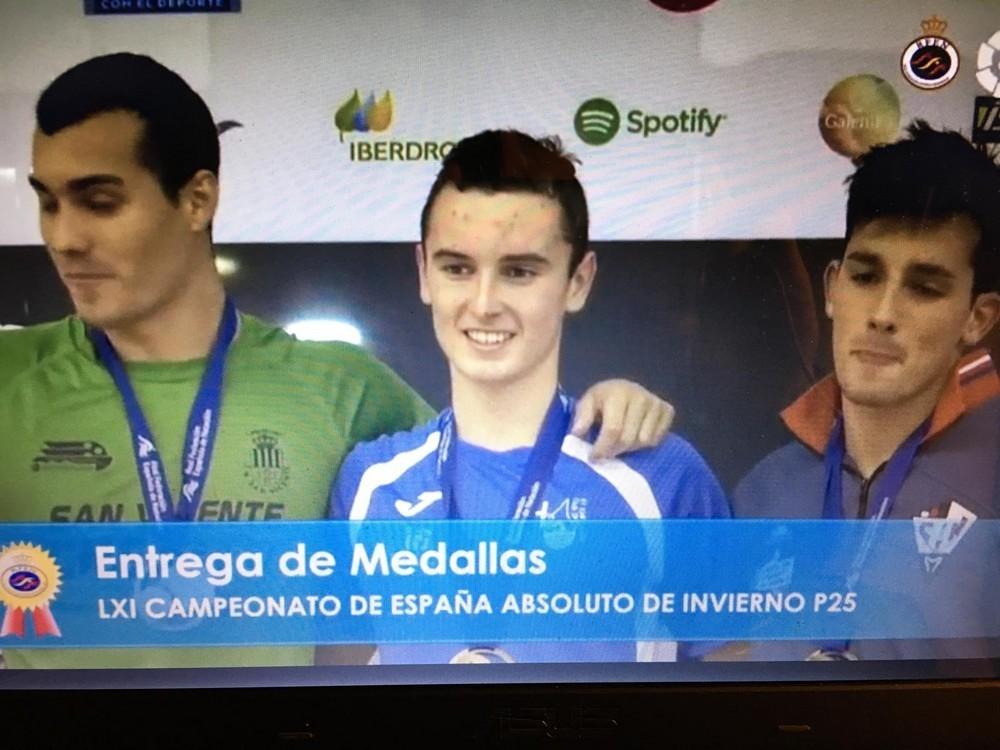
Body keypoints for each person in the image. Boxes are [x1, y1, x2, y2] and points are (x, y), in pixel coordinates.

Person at [0, 53, 676, 669]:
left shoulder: (343, 389)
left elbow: (493, 448)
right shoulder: (9, 375)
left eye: (99, 202)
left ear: (198, 199)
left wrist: (605, 401)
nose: (63, 237)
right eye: (47, 202)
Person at [330, 130, 731, 665]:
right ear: (424, 272)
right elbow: (342, 690)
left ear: (578, 281)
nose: (484, 302)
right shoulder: (369, 482)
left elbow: (737, 680)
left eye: (519, 271)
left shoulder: (661, 475)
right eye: (457, 268)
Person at [733, 122, 1000, 660]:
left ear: (977, 318)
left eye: (924, 288)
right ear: (832, 288)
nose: (882, 315)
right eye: (865, 277)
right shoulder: (762, 488)